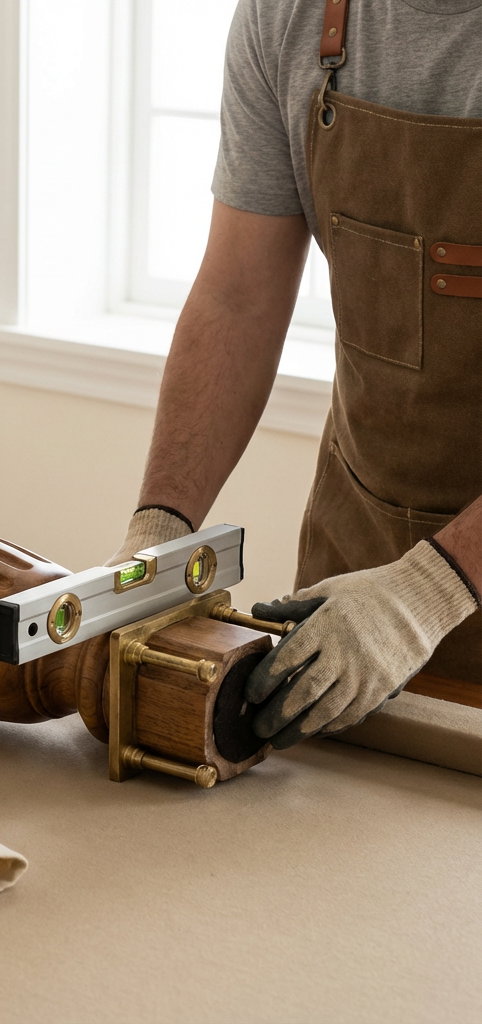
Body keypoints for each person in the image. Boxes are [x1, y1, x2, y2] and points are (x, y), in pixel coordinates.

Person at [107, 0, 481, 748]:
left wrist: (432, 588)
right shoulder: (290, 16)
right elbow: (237, 297)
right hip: (358, 579)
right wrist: (159, 535)